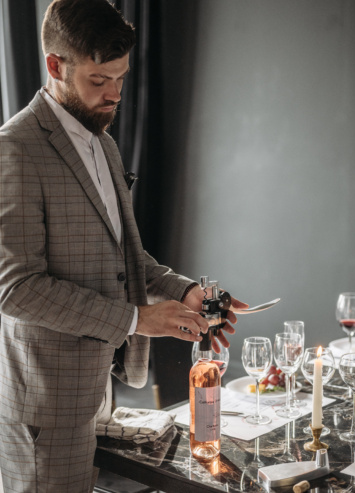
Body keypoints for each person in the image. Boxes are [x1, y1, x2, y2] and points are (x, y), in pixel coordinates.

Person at [0, 0, 248, 491]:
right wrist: (137, 318)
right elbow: (16, 289)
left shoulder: (104, 143)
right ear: (55, 66)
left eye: (121, 78)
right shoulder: (15, 148)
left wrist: (182, 292)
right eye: (99, 81)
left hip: (98, 391)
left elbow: (124, 255)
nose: (114, 95)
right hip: (44, 407)